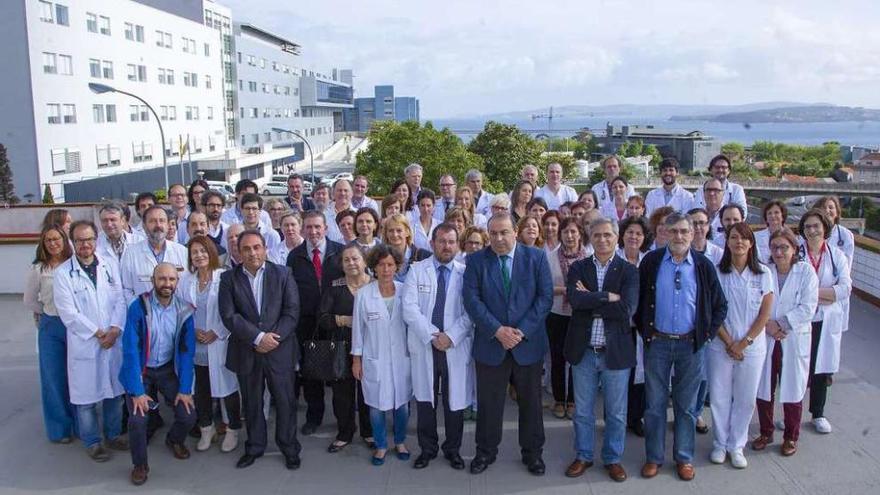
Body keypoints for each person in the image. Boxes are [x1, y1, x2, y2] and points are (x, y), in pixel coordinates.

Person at [636, 213, 727, 482]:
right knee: (654, 405)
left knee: (687, 407)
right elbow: (638, 302)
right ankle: (654, 457)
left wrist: (706, 336)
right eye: (673, 231)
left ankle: (684, 458)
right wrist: (647, 332)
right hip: (658, 344)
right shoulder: (651, 262)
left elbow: (720, 305)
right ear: (664, 232)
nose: (678, 236)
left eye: (684, 231)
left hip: (691, 345)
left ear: (692, 234)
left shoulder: (703, 265)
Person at [462, 213, 554, 476]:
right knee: (489, 404)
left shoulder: (535, 257)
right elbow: (471, 299)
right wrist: (497, 330)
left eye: (504, 232)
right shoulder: (476, 260)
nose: (499, 239)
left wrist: (521, 331)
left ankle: (533, 454)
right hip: (492, 344)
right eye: (493, 234)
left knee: (531, 404)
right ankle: (485, 452)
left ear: (516, 231)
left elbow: (544, 298)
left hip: (528, 345)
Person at [218, 230, 302, 470]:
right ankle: (254, 447)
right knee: (252, 402)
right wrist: (257, 337)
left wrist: (272, 338)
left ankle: (289, 447)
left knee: (285, 401)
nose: (252, 253)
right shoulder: (228, 279)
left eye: (257, 247)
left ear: (265, 249)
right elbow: (228, 315)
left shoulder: (283, 273)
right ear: (239, 252)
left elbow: (292, 311)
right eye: (246, 249)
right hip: (247, 350)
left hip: (280, 349)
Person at [564, 217, 639, 482]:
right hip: (583, 350)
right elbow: (575, 300)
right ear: (590, 238)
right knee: (583, 411)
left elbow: (627, 309)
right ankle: (583, 455)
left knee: (616, 413)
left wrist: (591, 298)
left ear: (616, 237)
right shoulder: (579, 268)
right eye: (597, 235)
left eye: (608, 235)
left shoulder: (629, 271)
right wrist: (608, 296)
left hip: (614, 350)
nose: (603, 240)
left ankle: (612, 458)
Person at [53, 220, 127, 462]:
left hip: (112, 339)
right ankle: (93, 442)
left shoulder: (109, 264)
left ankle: (113, 435)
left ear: (96, 240)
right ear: (73, 243)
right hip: (86, 342)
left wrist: (115, 330)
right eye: (80, 240)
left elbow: (121, 299)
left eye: (89, 239)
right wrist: (98, 333)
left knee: (114, 393)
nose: (85, 244)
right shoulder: (63, 273)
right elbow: (68, 313)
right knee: (86, 400)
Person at [403, 225, 473, 470]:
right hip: (426, 345)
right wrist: (434, 336)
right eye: (442, 241)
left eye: (452, 241)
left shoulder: (466, 273)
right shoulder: (416, 270)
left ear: (457, 245)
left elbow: (470, 312)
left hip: (454, 346)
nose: (447, 246)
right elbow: (409, 309)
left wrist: (450, 337)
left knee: (454, 402)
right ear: (432, 243)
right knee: (425, 401)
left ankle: (453, 449)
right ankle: (428, 449)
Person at [119, 263, 197, 485]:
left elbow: (186, 351)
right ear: (153, 281)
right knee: (137, 419)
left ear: (177, 282)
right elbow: (131, 351)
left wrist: (184, 389)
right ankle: (140, 465)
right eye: (162, 279)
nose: (167, 284)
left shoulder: (185, 310)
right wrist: (136, 391)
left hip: (166, 369)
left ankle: (174, 440)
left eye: (171, 280)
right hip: (141, 372)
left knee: (188, 415)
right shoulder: (138, 307)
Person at [708, 222, 774, 469]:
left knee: (746, 398)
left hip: (752, 347)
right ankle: (719, 443)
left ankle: (737, 445)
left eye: (744, 238)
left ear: (751, 243)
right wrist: (728, 342)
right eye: (734, 237)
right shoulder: (716, 271)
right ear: (726, 241)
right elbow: (712, 311)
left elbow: (765, 314)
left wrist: (744, 343)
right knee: (719, 396)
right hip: (720, 345)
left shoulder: (764, 274)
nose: (739, 242)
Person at [754, 228, 819, 457]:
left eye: (784, 247)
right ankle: (765, 431)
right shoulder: (765, 270)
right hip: (768, 338)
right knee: (764, 388)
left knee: (793, 389)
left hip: (792, 338)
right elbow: (756, 302)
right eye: (775, 247)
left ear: (794, 249)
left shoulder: (806, 272)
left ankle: (791, 436)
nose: (779, 252)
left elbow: (808, 307)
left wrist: (780, 324)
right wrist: (768, 326)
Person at [351, 245, 413, 466]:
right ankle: (380, 445)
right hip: (374, 358)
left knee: (402, 404)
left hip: (401, 359)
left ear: (397, 266)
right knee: (376, 406)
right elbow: (358, 330)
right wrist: (356, 360)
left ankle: (400, 441)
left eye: (390, 264)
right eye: (381, 265)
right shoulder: (364, 294)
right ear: (374, 267)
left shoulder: (406, 290)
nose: (386, 269)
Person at [179, 236, 241, 454]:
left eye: (203, 251)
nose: (199, 256)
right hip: (197, 346)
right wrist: (192, 331)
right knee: (201, 391)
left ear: (212, 253)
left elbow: (234, 311)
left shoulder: (224, 277)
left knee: (228, 390)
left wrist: (217, 332)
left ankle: (233, 429)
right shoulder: (186, 281)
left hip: (220, 343)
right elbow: (181, 311)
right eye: (194, 252)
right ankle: (207, 429)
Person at [287, 211, 345, 435]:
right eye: (309, 227)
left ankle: (343, 421)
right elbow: (291, 291)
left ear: (326, 229)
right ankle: (314, 417)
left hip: (335, 322)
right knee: (311, 375)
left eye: (317, 227)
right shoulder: (295, 256)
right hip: (307, 324)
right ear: (303, 229)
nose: (313, 232)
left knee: (339, 373)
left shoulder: (340, 252)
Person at [317, 245, 375, 453]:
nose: (351, 263)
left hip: (371, 347)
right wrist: (344, 320)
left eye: (355, 259)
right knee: (342, 393)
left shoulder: (375, 286)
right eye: (347, 260)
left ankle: (369, 432)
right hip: (341, 347)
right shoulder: (335, 287)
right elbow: (322, 318)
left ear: (365, 261)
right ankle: (344, 433)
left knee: (368, 392)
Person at [798, 209, 852, 434]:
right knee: (798, 367)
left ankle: (818, 413)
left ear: (825, 228)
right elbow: (794, 289)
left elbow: (845, 288)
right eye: (808, 226)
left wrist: (813, 293)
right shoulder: (796, 253)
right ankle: (794, 411)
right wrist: (824, 294)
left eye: (816, 226)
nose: (812, 230)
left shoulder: (836, 255)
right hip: (801, 319)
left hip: (825, 320)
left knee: (821, 369)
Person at [24, 225, 76, 443]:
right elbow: (29, 300)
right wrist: (46, 313)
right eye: (48, 240)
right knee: (54, 378)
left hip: (74, 325)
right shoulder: (39, 269)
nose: (53, 243)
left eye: (57, 239)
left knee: (76, 376)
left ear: (64, 241)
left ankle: (82, 424)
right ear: (43, 245)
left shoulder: (74, 265)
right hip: (51, 326)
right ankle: (60, 429)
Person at [546, 217, 589, 419]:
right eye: (565, 232)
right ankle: (558, 399)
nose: (569, 236)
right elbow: (544, 287)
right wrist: (566, 290)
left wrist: (580, 293)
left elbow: (592, 287)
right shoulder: (551, 257)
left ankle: (572, 399)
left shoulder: (588, 257)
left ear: (580, 233)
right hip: (556, 314)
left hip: (579, 314)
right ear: (560, 234)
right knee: (557, 358)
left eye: (573, 231)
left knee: (576, 358)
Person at [616, 216, 649, 436]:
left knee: (640, 374)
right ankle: (615, 418)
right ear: (622, 235)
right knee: (618, 375)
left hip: (642, 326)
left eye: (638, 233)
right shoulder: (614, 259)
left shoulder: (649, 261)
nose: (634, 237)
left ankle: (635, 418)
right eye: (630, 232)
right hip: (618, 325)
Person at [120, 206, 188, 301]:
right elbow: (127, 289)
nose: (158, 225)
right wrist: (138, 309)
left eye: (162, 220)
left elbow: (187, 286)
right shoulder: (131, 253)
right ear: (144, 226)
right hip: (144, 313)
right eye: (152, 221)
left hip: (176, 312)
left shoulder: (182, 252)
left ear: (168, 225)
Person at [815, 195, 854, 333]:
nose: (827, 210)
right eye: (823, 207)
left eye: (831, 207)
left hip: (834, 297)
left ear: (837, 212)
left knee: (830, 342)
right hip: (815, 297)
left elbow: (844, 270)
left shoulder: (845, 235)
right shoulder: (810, 233)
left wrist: (829, 294)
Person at [382, 213, 432, 282]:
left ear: (407, 232)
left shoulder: (424, 256)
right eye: (391, 231)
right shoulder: (380, 258)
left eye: (399, 230)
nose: (395, 234)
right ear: (386, 234)